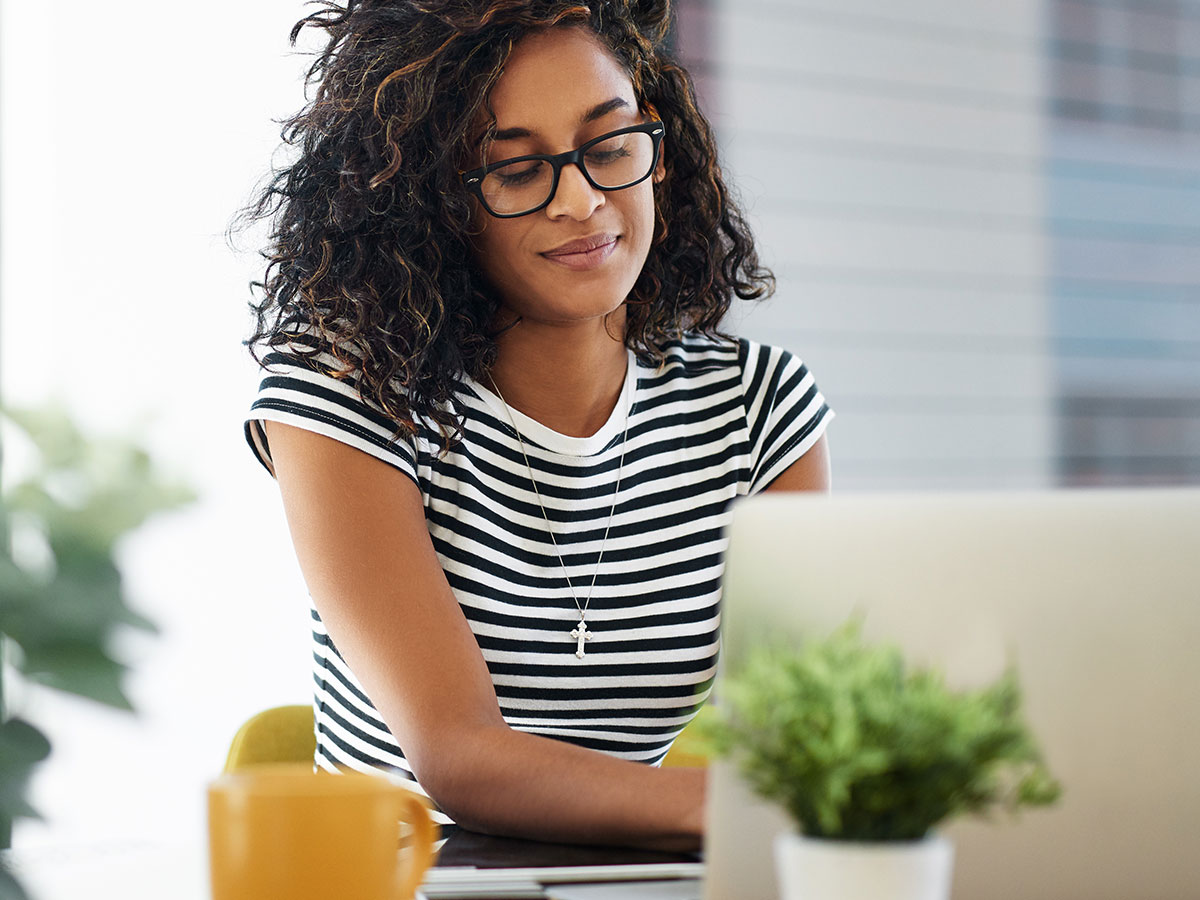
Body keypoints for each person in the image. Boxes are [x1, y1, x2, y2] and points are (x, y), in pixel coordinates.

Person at [241, 0, 832, 853]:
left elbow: (810, 735)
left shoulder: (758, 411)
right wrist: (752, 813)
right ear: (435, 203)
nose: (583, 201)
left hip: (639, 878)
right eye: (516, 171)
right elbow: (459, 758)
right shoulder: (349, 390)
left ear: (658, 151)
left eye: (609, 146)